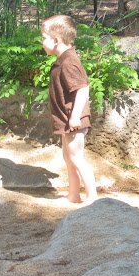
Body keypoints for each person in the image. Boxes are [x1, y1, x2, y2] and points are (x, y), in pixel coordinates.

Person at [41, 14, 98, 205]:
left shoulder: (69, 62)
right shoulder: (63, 59)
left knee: (76, 157)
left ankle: (92, 197)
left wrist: (74, 117)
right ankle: (73, 195)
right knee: (68, 157)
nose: (42, 42)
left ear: (56, 40)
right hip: (67, 120)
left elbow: (82, 89)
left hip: (74, 120)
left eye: (44, 38)